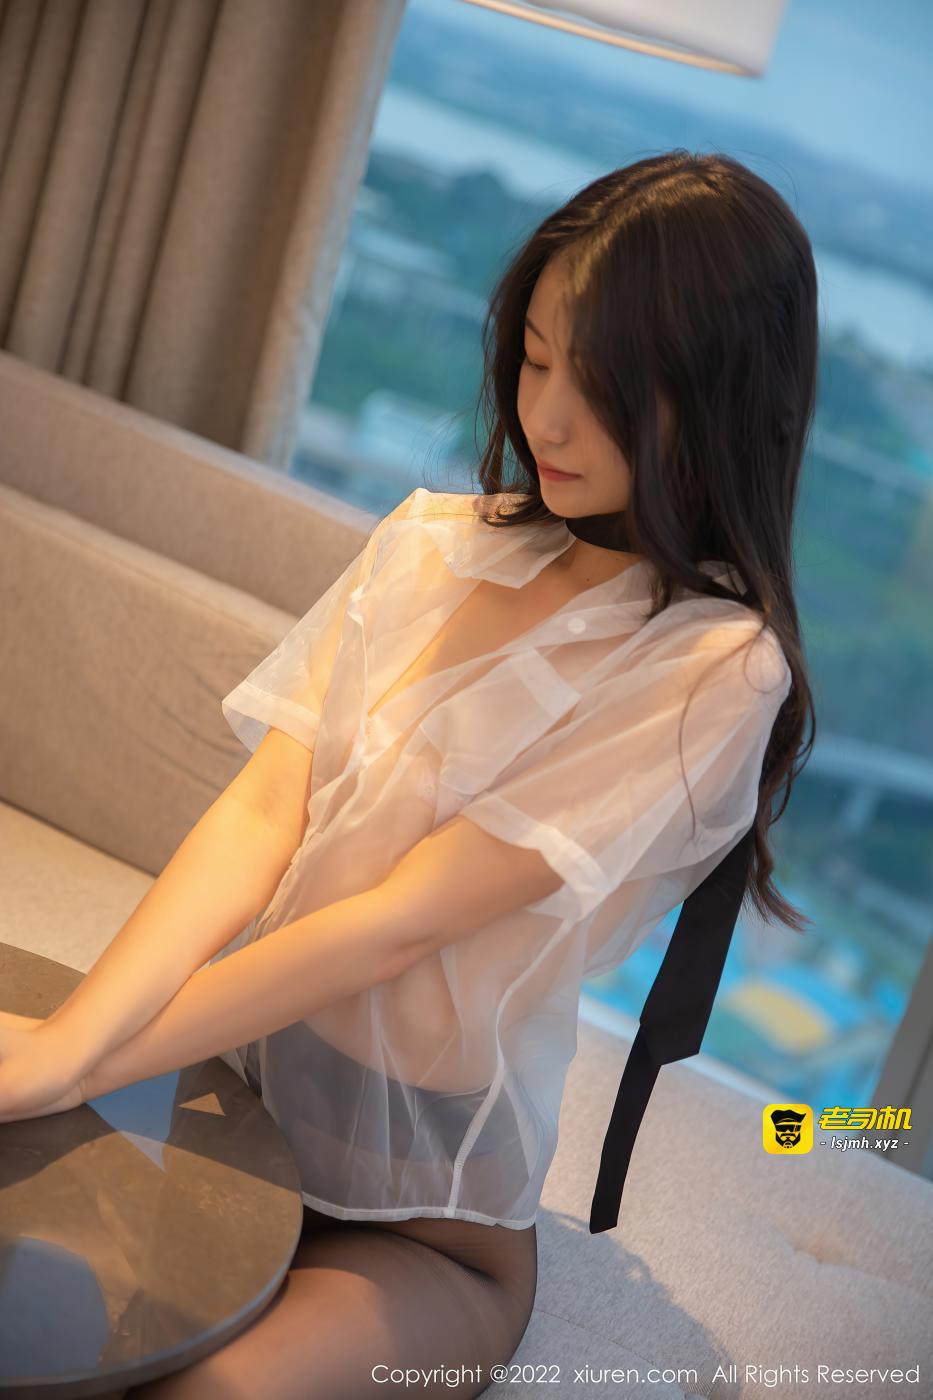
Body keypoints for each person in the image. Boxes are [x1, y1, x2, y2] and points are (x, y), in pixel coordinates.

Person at [3, 149, 816, 1399]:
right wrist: (77, 1040)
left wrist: (80, 1061)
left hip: (424, 1228)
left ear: (717, 398)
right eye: (535, 359)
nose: (546, 418)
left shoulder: (714, 664)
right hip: (230, 1105)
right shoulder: (433, 543)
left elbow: (396, 924)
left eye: (601, 385)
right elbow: (263, 812)